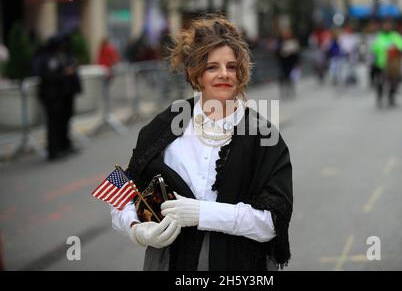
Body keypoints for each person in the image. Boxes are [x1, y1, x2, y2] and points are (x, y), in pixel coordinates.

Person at [110, 16, 293, 271]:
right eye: (212, 67)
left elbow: (273, 222)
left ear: (242, 72)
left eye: (232, 66)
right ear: (195, 73)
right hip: (168, 262)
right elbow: (120, 189)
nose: (224, 75)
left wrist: (202, 214)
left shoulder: (263, 136)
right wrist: (136, 228)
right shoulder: (164, 125)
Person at [36, 34, 82, 160]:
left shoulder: (64, 55)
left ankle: (64, 146)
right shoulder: (48, 58)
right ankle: (53, 151)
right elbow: (49, 75)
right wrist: (65, 72)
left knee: (64, 121)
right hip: (52, 96)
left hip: (63, 95)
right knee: (53, 124)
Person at [371, 19, 402, 107]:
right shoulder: (379, 36)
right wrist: (381, 49)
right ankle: (379, 97)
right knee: (379, 83)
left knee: (393, 83)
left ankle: (391, 98)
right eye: (385, 25)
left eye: (389, 25)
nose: (387, 27)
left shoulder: (395, 36)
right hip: (380, 64)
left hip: (392, 65)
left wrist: (395, 48)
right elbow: (373, 47)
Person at [276, 28, 299, 99]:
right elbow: (277, 52)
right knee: (283, 77)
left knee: (291, 77)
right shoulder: (280, 42)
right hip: (283, 62)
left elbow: (297, 53)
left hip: (291, 62)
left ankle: (291, 89)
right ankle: (284, 90)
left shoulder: (293, 41)